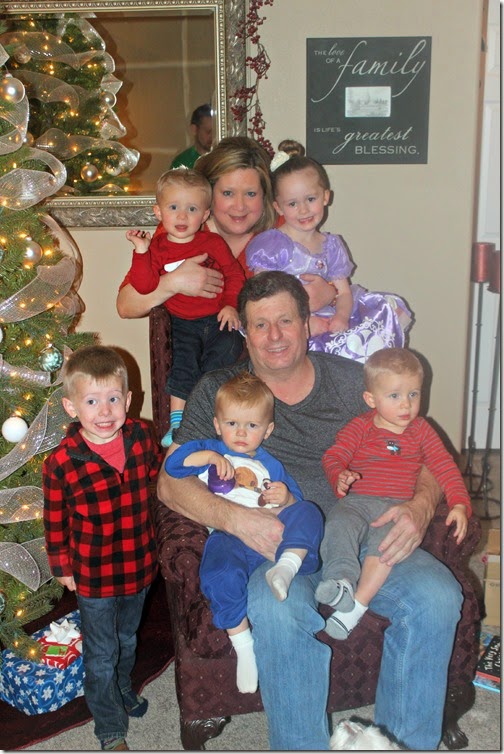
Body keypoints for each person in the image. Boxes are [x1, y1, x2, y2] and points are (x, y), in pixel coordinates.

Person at [157, 270, 463, 751]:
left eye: (285, 321)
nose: (274, 336)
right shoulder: (220, 391)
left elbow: (427, 452)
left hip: (359, 533)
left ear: (306, 324)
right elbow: (169, 483)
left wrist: (422, 507)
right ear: (244, 333)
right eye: (260, 325)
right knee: (275, 609)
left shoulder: (352, 383)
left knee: (437, 596)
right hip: (271, 546)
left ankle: (401, 745)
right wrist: (238, 520)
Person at [165, 372, 323, 694]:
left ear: (268, 430)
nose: (240, 432)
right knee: (217, 570)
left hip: (274, 540)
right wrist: (209, 456)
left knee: (309, 512)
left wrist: (286, 498)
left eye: (251, 425)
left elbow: (295, 502)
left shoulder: (271, 465)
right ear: (217, 424)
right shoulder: (212, 452)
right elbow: (173, 467)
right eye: (232, 423)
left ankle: (287, 567)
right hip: (230, 537)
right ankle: (244, 647)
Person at [42, 346, 163, 752]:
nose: (105, 411)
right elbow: (54, 519)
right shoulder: (61, 463)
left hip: (139, 563)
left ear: (128, 400)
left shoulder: (142, 436)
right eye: (92, 402)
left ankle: (122, 687)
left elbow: (158, 476)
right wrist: (62, 567)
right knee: (101, 652)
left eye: (113, 398)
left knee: (127, 639)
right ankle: (109, 727)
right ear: (72, 407)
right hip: (93, 574)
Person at [318, 347, 471, 640]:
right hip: (358, 502)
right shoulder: (360, 427)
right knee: (338, 523)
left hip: (397, 507)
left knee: (386, 547)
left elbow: (444, 467)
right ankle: (341, 582)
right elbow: (333, 456)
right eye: (395, 396)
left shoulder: (421, 431)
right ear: (371, 399)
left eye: (413, 394)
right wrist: (340, 475)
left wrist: (460, 503)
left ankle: (355, 608)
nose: (406, 405)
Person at [116, 136, 336, 323]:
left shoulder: (283, 230)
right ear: (209, 194)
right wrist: (173, 283)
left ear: (265, 195)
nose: (239, 206)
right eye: (228, 193)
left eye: (250, 194)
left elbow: (331, 276)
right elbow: (125, 306)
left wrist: (330, 293)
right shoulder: (180, 232)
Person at [246, 142, 412, 361]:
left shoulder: (331, 245)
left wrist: (341, 317)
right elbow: (262, 298)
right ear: (278, 207)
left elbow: (343, 293)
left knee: (384, 310)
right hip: (285, 325)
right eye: (292, 203)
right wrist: (303, 323)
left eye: (311, 199)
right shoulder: (272, 245)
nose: (303, 210)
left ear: (325, 197)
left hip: (328, 317)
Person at [125, 168, 245, 445]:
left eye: (191, 209)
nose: (182, 216)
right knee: (183, 362)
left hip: (216, 318)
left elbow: (234, 275)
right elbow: (144, 286)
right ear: (158, 212)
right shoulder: (156, 249)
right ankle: (177, 423)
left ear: (204, 215)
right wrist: (141, 251)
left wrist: (230, 305)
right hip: (181, 322)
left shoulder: (213, 243)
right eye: (173, 208)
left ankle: (207, 412)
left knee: (228, 349)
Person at [170, 103, 213, 169]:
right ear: (194, 129)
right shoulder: (181, 163)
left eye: (214, 131)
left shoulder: (222, 158)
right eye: (208, 132)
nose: (212, 136)